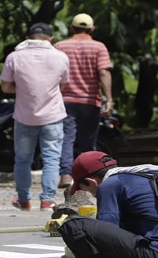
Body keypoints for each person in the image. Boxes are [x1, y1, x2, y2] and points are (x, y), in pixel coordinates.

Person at [0, 22, 69, 211]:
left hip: (24, 117)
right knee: (52, 159)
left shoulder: (14, 57)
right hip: (53, 116)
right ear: (50, 38)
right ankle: (47, 200)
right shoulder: (60, 57)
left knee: (22, 160)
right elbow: (62, 86)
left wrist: (21, 89)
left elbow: (5, 87)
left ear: (27, 38)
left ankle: (23, 200)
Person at [54, 13, 114, 189]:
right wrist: (109, 99)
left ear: (72, 28)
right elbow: (104, 72)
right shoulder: (99, 47)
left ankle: (66, 174)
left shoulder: (60, 46)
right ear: (92, 29)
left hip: (65, 100)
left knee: (66, 138)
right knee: (88, 140)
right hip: (90, 101)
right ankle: (89, 175)